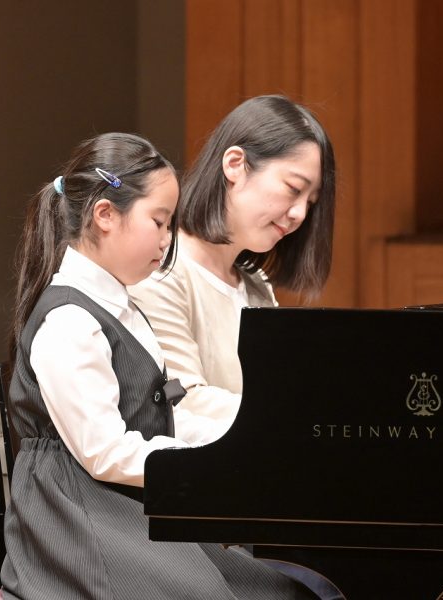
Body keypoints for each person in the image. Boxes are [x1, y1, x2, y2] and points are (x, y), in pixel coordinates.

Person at [0, 132, 317, 600]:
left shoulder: (119, 304)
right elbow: (102, 451)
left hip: (127, 506)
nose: (168, 241)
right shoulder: (70, 319)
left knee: (279, 587)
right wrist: (203, 464)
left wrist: (226, 444)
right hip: (76, 522)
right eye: (160, 222)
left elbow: (161, 415)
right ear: (105, 216)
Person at [128, 95, 342, 599]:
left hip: (244, 500)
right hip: (190, 520)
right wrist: (293, 424)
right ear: (236, 165)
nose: (298, 213)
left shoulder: (254, 284)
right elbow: (181, 404)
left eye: (310, 202)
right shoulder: (166, 273)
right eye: (293, 190)